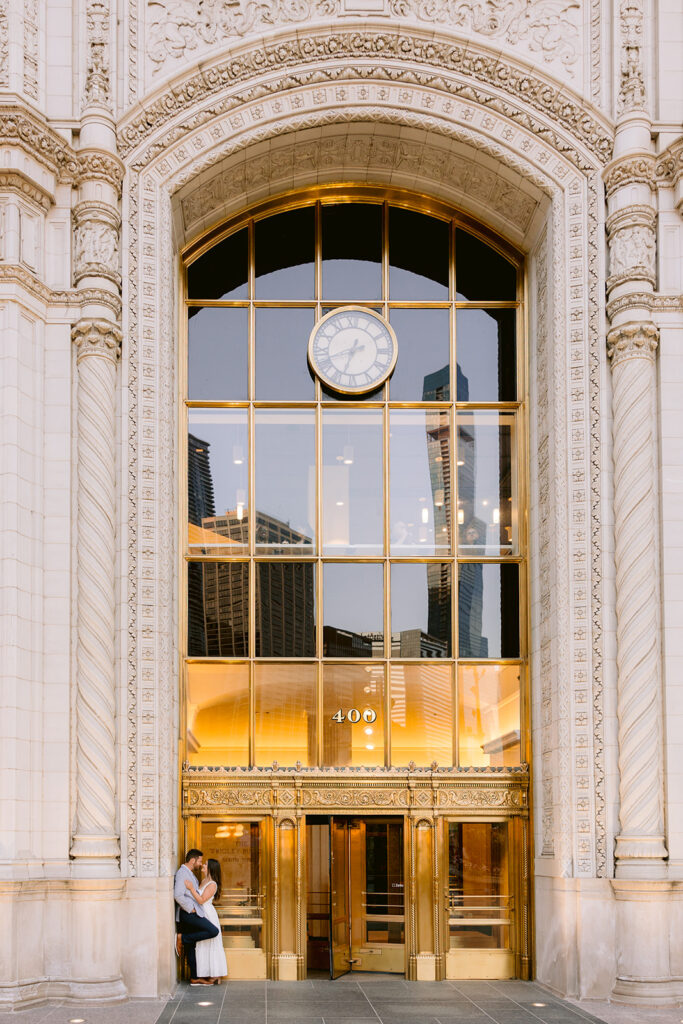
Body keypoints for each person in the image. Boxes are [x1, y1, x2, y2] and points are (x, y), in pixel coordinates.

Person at [174, 849, 220, 986]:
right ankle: (182, 938)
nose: (200, 864)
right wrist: (190, 908)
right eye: (200, 861)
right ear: (192, 860)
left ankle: (194, 977)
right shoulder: (183, 873)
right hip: (189, 913)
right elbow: (178, 895)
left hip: (193, 912)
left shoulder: (191, 874)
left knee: (191, 946)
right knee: (213, 931)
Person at [184, 858, 227, 984]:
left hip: (207, 913)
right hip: (200, 912)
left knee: (211, 942)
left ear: (210, 869)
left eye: (205, 864)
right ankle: (205, 973)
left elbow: (202, 900)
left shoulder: (212, 884)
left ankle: (214, 974)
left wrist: (191, 889)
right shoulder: (203, 881)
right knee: (202, 944)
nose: (203, 865)